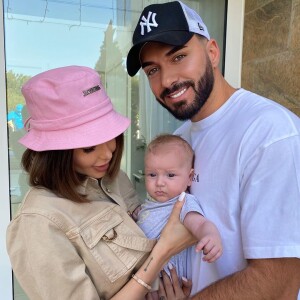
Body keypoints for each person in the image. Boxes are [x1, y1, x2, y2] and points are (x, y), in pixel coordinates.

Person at [126, 1, 300, 299]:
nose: (167, 80)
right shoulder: (181, 141)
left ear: (212, 52)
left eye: (179, 56)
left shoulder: (270, 132)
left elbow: (278, 283)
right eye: (152, 70)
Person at [6, 65, 196, 300]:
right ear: (56, 153)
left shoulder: (110, 178)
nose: (107, 154)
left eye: (112, 137)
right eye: (89, 147)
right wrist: (163, 252)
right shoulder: (38, 223)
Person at [137, 134, 222, 281]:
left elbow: (200, 223)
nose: (159, 182)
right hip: (144, 279)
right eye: (152, 174)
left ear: (190, 177)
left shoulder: (183, 202)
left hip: (167, 280)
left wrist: (210, 235)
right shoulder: (150, 204)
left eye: (170, 175)